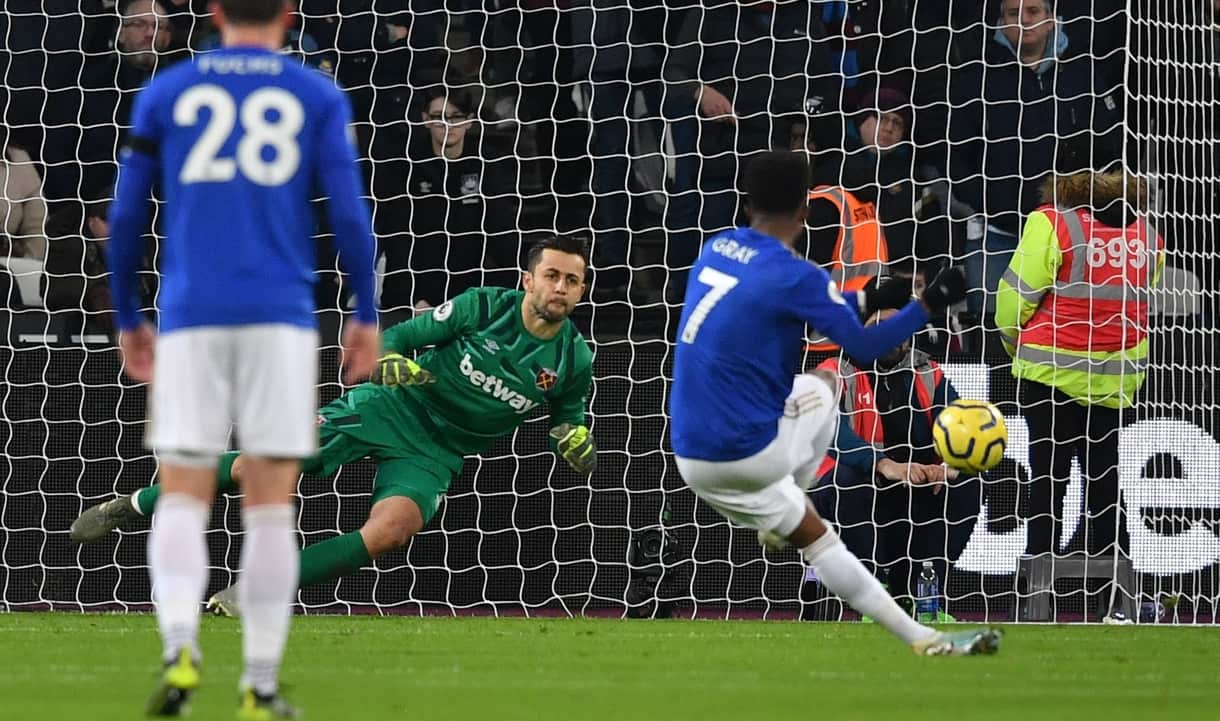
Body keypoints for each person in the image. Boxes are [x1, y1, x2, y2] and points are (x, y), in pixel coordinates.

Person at [104, 1, 380, 717]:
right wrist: (366, 314)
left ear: (215, 13)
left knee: (184, 492)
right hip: (280, 319)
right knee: (267, 506)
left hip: (192, 315)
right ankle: (259, 684)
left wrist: (130, 316)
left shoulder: (167, 89)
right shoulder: (315, 92)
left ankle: (179, 650)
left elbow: (128, 214)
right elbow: (349, 214)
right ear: (290, 14)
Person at [77, 236, 596, 610]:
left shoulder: (574, 361)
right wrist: (391, 360)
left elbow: (568, 424)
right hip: (389, 407)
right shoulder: (483, 305)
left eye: (572, 280)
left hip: (437, 450)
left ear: (581, 291)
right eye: (552, 275)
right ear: (528, 279)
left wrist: (577, 444)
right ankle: (135, 504)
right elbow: (396, 339)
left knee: (393, 530)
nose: (561, 287)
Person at [669, 151, 997, 656]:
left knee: (822, 544)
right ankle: (795, 486)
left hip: (691, 458)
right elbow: (864, 348)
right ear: (805, 212)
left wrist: (869, 298)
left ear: (746, 203)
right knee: (823, 382)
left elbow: (786, 301)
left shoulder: (717, 249)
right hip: (753, 456)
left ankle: (924, 639)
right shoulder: (798, 276)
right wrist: (926, 304)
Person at [996, 146, 1165, 565]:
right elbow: (1141, 299)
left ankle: (1039, 569)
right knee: (1105, 473)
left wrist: (1013, 342)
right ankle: (1113, 573)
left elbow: (1014, 298)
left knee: (1049, 475)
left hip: (1049, 371)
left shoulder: (1052, 223)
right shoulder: (1146, 235)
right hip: (1113, 376)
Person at [808, 309, 981, 617]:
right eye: (878, 323)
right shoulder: (833, 371)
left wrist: (951, 466)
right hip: (848, 491)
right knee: (848, 479)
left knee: (966, 483)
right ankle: (875, 595)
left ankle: (927, 596)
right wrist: (883, 464)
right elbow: (829, 430)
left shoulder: (929, 372)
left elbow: (959, 429)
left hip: (911, 488)